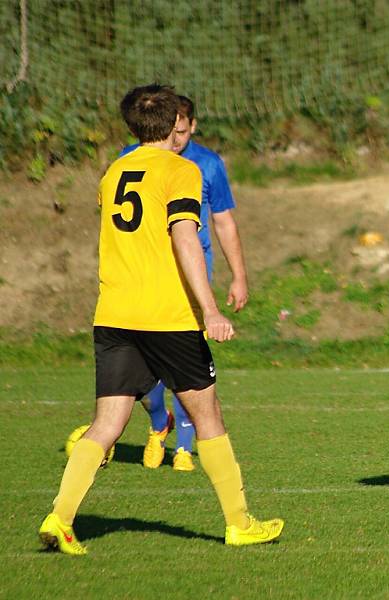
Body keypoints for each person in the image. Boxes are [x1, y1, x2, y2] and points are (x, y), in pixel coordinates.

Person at [38, 84, 282, 555]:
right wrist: (208, 309)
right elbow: (185, 237)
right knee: (207, 415)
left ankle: (60, 516)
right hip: (167, 316)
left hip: (114, 313)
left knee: (106, 423)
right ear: (175, 123)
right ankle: (239, 522)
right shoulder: (181, 169)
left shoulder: (114, 172)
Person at [121, 95, 249, 471]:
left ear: (192, 126)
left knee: (187, 363)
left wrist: (238, 276)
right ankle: (160, 421)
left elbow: (223, 221)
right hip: (142, 277)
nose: (174, 140)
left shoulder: (206, 165)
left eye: (181, 132)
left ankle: (184, 446)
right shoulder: (131, 159)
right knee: (141, 370)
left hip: (190, 277)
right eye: (169, 131)